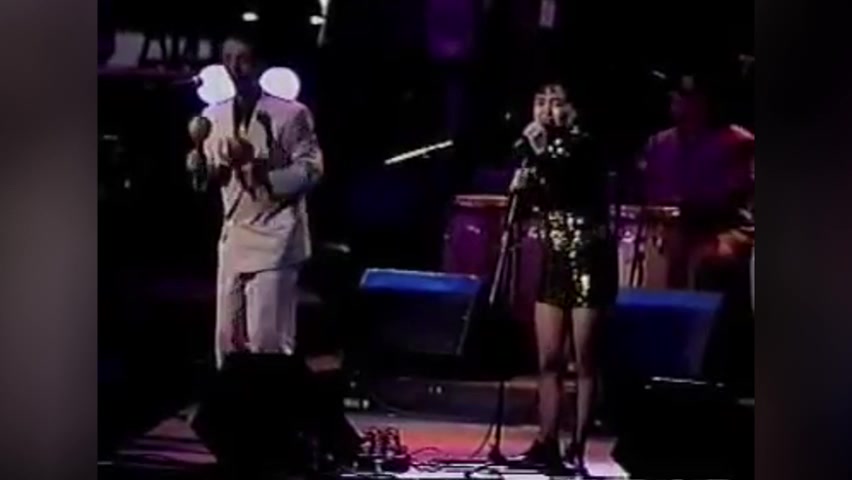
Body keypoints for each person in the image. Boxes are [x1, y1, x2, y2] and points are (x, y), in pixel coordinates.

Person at [186, 34, 324, 368]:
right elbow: (213, 178)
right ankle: (231, 398)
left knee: (267, 339)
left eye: (243, 59)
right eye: (228, 58)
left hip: (277, 236)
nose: (235, 67)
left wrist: (264, 175)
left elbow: (311, 170)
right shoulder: (212, 116)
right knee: (228, 340)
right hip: (235, 236)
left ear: (259, 64)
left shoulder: (291, 114)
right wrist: (200, 168)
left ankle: (272, 398)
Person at [511, 83, 618, 475]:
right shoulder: (534, 152)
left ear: (573, 109)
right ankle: (547, 442)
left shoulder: (585, 146)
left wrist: (539, 155)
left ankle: (578, 445)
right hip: (555, 256)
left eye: (556, 102)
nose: (546, 110)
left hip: (588, 256)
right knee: (548, 358)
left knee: (584, 360)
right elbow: (534, 201)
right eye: (540, 102)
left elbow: (568, 187)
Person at [637, 73, 754, 290]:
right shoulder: (659, 142)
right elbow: (648, 192)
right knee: (660, 250)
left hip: (725, 228)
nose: (679, 103)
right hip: (671, 230)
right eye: (677, 97)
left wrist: (689, 207)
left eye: (689, 98)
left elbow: (736, 198)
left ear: (705, 103)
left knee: (707, 258)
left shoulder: (736, 141)